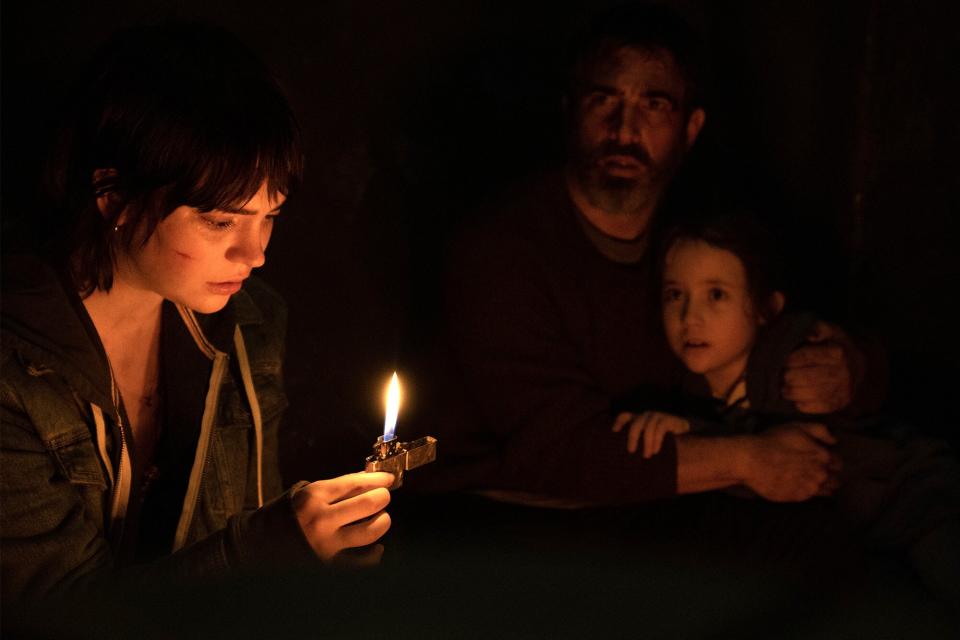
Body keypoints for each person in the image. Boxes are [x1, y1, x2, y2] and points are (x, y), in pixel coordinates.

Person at [1, 22, 393, 605]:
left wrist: (311, 560)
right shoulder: (16, 375)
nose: (255, 254)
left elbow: (253, 576)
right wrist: (266, 548)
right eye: (220, 222)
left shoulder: (246, 325)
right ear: (115, 197)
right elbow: (56, 617)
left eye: (271, 216)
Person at [425, 4, 881, 505]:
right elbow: (556, 453)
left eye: (654, 105)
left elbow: (789, 345)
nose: (624, 128)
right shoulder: (501, 248)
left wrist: (848, 371)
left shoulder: (697, 242)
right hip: (501, 522)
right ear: (570, 109)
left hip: (651, 515)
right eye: (604, 100)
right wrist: (747, 459)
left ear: (690, 127)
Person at [613, 210, 960, 601]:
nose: (690, 318)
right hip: (861, 533)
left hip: (917, 497)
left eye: (716, 295)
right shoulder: (687, 384)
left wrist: (697, 437)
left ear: (765, 309)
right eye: (675, 294)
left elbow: (786, 461)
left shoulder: (795, 361)